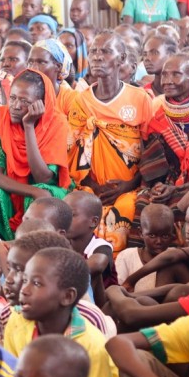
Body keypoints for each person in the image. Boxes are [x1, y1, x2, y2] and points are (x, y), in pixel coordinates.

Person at [6, 248, 122, 377]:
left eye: (36, 283)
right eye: (25, 280)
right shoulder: (16, 321)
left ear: (67, 297)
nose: (24, 290)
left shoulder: (90, 346)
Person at [68, 32, 155, 254]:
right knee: (80, 216)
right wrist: (93, 187)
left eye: (106, 51)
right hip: (89, 186)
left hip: (130, 187)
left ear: (121, 59)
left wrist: (130, 184)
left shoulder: (140, 99)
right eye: (94, 51)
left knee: (125, 211)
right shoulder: (81, 100)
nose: (97, 57)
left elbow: (151, 151)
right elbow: (73, 150)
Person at [0, 69, 71, 241]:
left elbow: (43, 178)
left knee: (42, 196)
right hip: (17, 188)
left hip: (49, 190)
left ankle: (31, 248)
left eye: (24, 101)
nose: (15, 106)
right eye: (13, 98)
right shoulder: (2, 118)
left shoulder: (56, 122)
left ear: (40, 104)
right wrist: (32, 191)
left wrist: (28, 126)